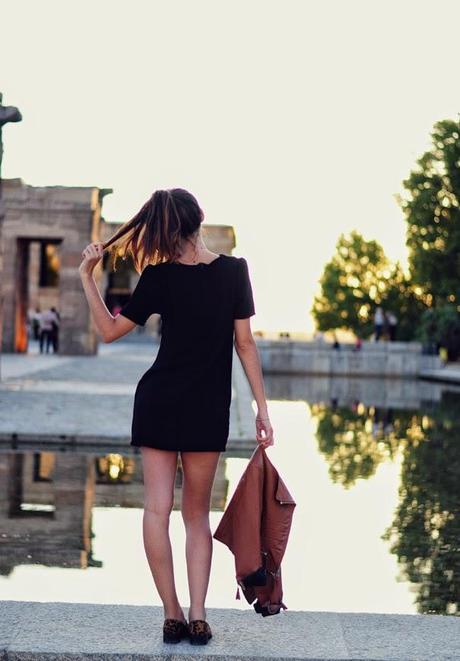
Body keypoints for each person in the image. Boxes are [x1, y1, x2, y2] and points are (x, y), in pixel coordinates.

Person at [78, 188, 274, 646]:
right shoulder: (234, 271)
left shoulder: (159, 275)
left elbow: (109, 331)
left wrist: (88, 277)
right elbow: (245, 345)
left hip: (160, 400)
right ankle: (198, 616)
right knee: (195, 516)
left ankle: (171, 615)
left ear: (166, 230)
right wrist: (262, 409)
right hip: (207, 406)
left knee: (156, 508)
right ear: (200, 220)